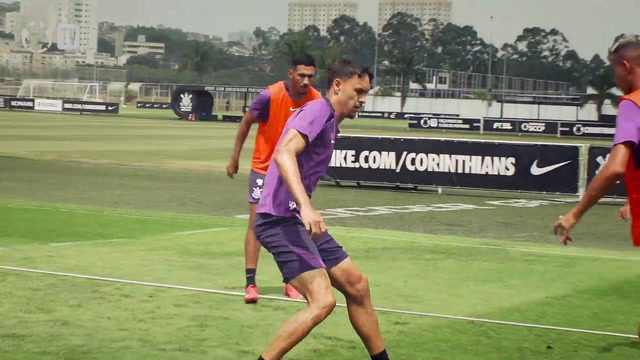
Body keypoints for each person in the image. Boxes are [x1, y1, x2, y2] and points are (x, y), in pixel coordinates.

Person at [254, 59, 389, 360]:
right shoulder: (318, 110)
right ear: (338, 86)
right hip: (279, 220)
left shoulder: (330, 122)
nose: (363, 100)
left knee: (357, 286)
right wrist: (306, 207)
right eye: (359, 91)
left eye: (367, 93)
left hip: (297, 222)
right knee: (323, 301)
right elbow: (284, 153)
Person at [226, 53, 322, 304]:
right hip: (263, 168)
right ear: (290, 74)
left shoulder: (316, 99)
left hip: (291, 173)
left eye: (310, 77)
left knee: (291, 226)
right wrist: (235, 157)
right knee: (257, 224)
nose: (305, 81)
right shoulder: (270, 95)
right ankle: (251, 283)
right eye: (301, 75)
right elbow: (246, 122)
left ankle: (290, 281)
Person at [555, 34, 640, 247]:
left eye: (615, 71)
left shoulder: (632, 104)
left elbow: (615, 169)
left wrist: (575, 214)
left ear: (626, 66)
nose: (614, 79)